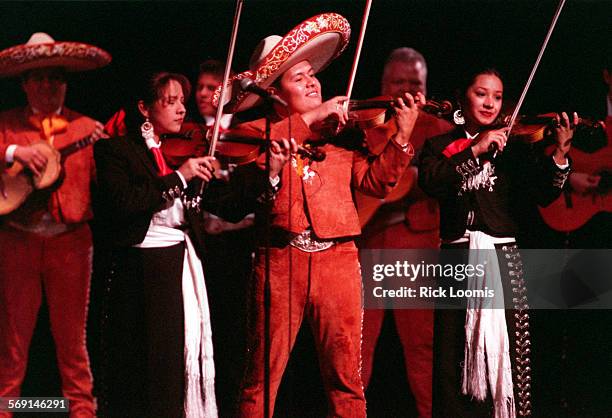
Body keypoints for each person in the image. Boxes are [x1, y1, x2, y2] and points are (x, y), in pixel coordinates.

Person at [218, 13, 420, 417]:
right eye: (299, 78)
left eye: (313, 74)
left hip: (338, 260)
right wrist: (309, 121)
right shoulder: (255, 132)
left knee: (347, 380)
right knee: (261, 379)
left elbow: (375, 184)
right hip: (280, 259)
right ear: (274, 93)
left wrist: (400, 137)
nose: (312, 82)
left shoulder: (341, 130)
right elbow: (247, 176)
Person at [93, 71, 290, 417]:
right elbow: (125, 202)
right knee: (147, 369)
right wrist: (180, 176)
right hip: (142, 272)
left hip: (181, 265)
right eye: (171, 101)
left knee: (176, 362)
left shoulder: (189, 155)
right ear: (144, 108)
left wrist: (270, 174)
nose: (182, 109)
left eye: (182, 101)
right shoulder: (115, 150)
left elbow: (227, 208)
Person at [418, 68, 576, 417]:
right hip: (456, 259)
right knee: (451, 356)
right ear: (463, 97)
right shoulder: (439, 146)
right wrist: (474, 149)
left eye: (498, 96)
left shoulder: (515, 147)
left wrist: (561, 151)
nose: (490, 102)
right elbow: (432, 182)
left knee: (509, 354)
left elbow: (544, 192)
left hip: (504, 259)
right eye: (481, 93)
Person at [0, 32, 110, 418]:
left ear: (65, 83)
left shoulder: (87, 127)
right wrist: (14, 150)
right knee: (12, 342)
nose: (47, 85)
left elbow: (109, 184)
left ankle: (81, 411)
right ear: (25, 83)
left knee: (72, 341)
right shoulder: (7, 126)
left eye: (55, 78)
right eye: (39, 78)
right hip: (18, 240)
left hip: (71, 243)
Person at [358, 47, 453, 418]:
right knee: (358, 343)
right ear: (384, 85)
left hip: (417, 244)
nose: (409, 90)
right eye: (400, 82)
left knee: (423, 345)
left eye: (416, 83)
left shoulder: (442, 129)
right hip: (370, 241)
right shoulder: (366, 125)